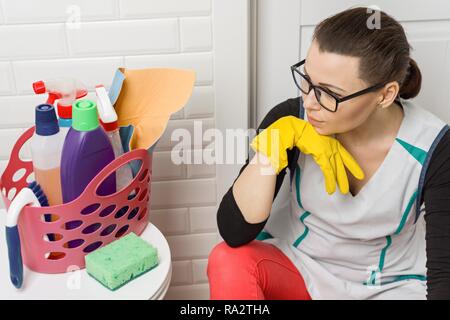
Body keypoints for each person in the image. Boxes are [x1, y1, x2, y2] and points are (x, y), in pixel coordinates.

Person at [207, 7, 450, 300]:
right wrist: (275, 142)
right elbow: (234, 231)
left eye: (330, 93)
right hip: (303, 268)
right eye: (307, 80)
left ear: (385, 95)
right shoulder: (291, 119)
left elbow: (443, 274)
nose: (310, 102)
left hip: (390, 286)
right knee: (228, 259)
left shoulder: (435, 147)